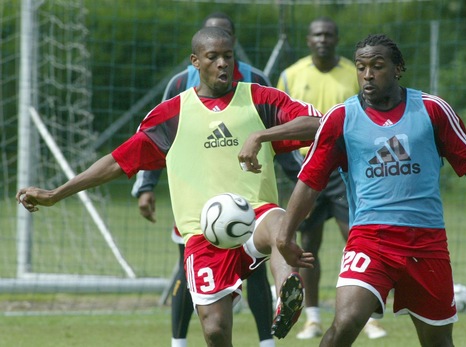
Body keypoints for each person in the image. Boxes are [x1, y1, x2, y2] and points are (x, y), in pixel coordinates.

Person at [17, 27, 322, 346]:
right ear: (195, 61)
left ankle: (287, 291)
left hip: (253, 216)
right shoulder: (170, 115)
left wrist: (260, 135)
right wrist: (55, 194)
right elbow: (116, 162)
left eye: (228, 56)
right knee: (215, 329)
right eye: (213, 57)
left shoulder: (260, 98)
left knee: (279, 225)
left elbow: (319, 124)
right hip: (203, 235)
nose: (222, 63)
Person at [276, 33, 466, 347]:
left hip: (427, 242)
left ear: (398, 68)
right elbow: (310, 180)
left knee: (438, 342)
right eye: (361, 67)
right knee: (345, 324)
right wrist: (284, 235)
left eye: (377, 66)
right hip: (371, 239)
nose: (367, 74)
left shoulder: (432, 110)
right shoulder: (341, 118)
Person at [131, 12, 275, 347]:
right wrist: (147, 186)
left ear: (233, 42)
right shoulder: (180, 85)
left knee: (257, 272)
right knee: (188, 272)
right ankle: (178, 341)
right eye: (212, 48)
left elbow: (274, 134)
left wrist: (299, 180)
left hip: (247, 198)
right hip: (197, 203)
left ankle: (267, 341)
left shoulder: (256, 82)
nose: (221, 57)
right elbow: (156, 140)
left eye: (226, 43)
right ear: (197, 55)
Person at [275, 17, 386, 340]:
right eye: (317, 34)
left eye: (328, 34)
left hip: (345, 171)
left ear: (337, 39)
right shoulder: (291, 74)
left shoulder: (357, 72)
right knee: (308, 245)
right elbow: (281, 120)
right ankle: (312, 317)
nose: (322, 39)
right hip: (305, 170)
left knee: (357, 238)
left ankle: (367, 315)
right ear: (308, 40)